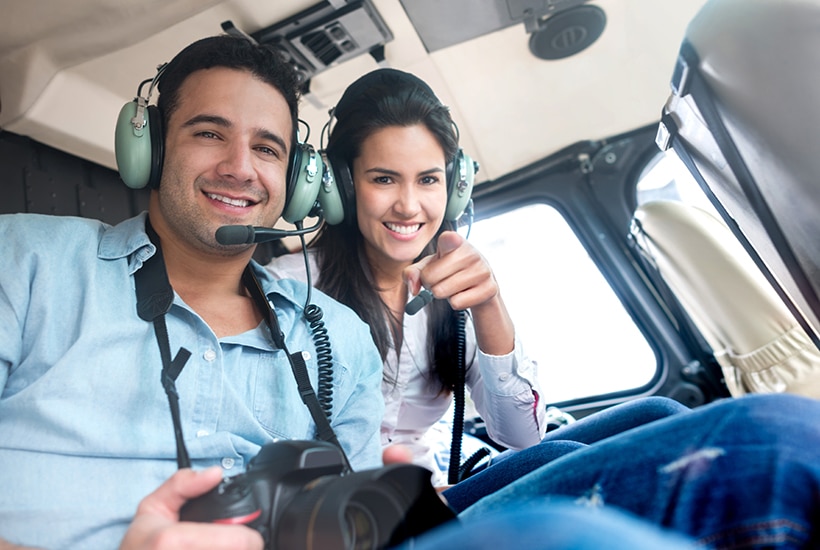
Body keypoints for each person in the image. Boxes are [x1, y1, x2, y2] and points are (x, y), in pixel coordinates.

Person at [0, 35, 385, 549]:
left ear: (296, 182)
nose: (239, 168)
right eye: (209, 133)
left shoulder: (340, 336)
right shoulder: (22, 262)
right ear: (152, 149)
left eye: (266, 149)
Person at [265, 68, 689, 486]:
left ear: (454, 189)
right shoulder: (287, 289)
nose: (409, 206)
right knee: (561, 458)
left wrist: (488, 304)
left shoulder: (457, 284)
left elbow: (522, 436)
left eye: (428, 180)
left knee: (658, 415)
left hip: (433, 490)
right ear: (342, 186)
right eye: (384, 179)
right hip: (354, 507)